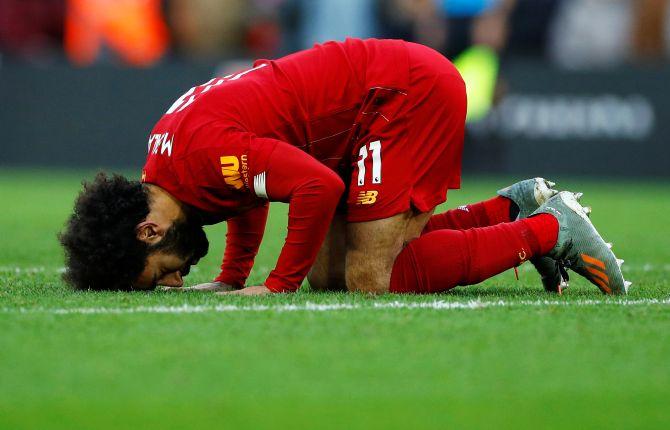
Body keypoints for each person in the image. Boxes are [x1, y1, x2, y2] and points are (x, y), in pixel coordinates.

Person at [59, 38, 629, 295]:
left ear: (148, 230)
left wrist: (277, 286)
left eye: (160, 270)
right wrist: (234, 276)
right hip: (366, 113)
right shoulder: (174, 168)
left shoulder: (198, 156)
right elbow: (246, 191)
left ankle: (550, 229)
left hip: (399, 97)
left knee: (368, 278)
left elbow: (315, 185)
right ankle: (513, 205)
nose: (175, 278)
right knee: (329, 274)